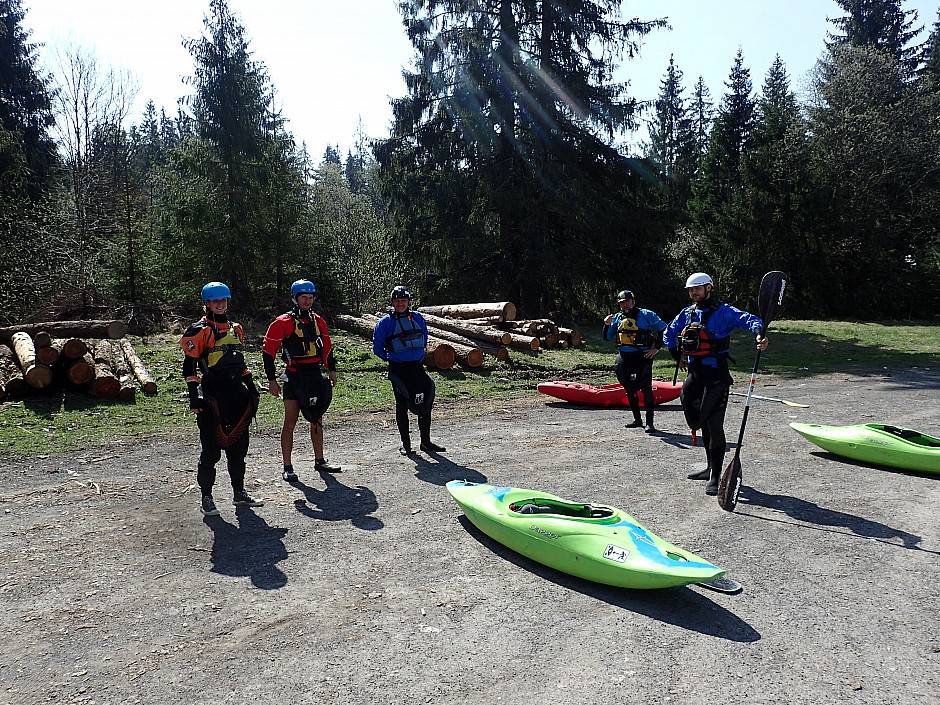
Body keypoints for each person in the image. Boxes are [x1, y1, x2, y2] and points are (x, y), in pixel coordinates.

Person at [663, 273, 769, 496]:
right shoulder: (688, 313)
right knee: (697, 420)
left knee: (714, 425)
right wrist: (676, 355)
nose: (694, 293)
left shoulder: (724, 312)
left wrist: (760, 335)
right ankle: (709, 467)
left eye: (698, 289)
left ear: (709, 288)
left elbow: (751, 321)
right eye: (691, 290)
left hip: (716, 377)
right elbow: (669, 333)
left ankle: (715, 475)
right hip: (695, 375)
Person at [180, 281, 263, 516]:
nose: (220, 304)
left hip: (236, 394)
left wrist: (250, 386)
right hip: (212, 395)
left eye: (223, 300)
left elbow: (239, 361)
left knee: (238, 448)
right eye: (215, 301)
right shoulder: (199, 330)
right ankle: (206, 497)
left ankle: (239, 493)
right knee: (211, 451)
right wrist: (194, 397)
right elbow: (189, 367)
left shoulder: (235, 328)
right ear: (207, 303)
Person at [262, 279, 341, 481]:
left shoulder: (318, 320)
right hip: (294, 376)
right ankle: (287, 466)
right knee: (290, 420)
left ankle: (320, 460)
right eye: (303, 297)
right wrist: (272, 380)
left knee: (316, 417)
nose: (307, 301)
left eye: (310, 297)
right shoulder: (282, 323)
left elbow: (327, 347)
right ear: (295, 299)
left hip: (314, 373)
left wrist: (331, 369)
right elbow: (268, 353)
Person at [372, 285, 446, 456]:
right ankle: (407, 445)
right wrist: (392, 359)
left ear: (408, 302)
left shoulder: (418, 318)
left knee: (426, 401)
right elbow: (377, 348)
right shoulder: (385, 323)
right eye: (397, 301)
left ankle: (426, 443)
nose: (400, 304)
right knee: (402, 404)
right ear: (392, 302)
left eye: (403, 300)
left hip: (417, 368)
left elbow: (424, 338)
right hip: (398, 370)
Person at [602, 289, 667, 432]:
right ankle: (637, 420)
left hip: (642, 358)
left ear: (633, 301)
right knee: (629, 390)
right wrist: (606, 325)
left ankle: (650, 423)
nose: (625, 305)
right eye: (622, 303)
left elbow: (664, 329)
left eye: (627, 301)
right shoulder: (617, 318)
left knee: (646, 389)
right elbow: (607, 337)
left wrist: (656, 348)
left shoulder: (647, 315)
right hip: (624, 358)